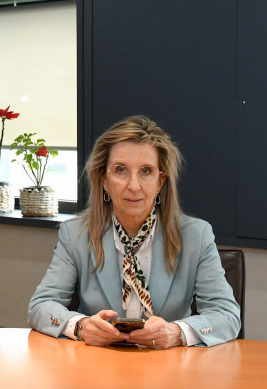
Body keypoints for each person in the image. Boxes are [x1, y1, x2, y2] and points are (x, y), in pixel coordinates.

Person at [28, 116, 239, 347]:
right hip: (98, 367)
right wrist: (80, 326)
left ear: (161, 182)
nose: (134, 185)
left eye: (146, 171)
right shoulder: (76, 234)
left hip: (171, 369)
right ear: (104, 180)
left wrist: (177, 332)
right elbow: (41, 306)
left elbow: (226, 315)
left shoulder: (196, 236)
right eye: (120, 170)